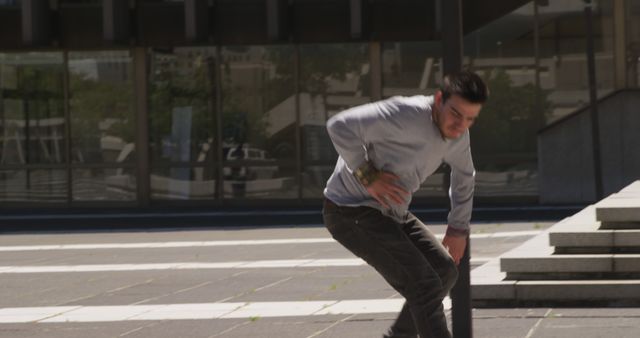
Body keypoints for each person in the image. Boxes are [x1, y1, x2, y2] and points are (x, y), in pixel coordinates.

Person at [322, 70, 488, 338]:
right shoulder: (403, 113)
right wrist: (368, 176)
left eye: (470, 119)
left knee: (443, 272)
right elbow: (339, 125)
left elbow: (464, 175)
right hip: (348, 210)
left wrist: (458, 228)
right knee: (423, 285)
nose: (460, 126)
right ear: (438, 100)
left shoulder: (459, 135)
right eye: (456, 114)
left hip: (390, 212)